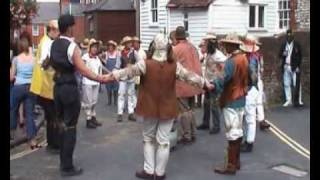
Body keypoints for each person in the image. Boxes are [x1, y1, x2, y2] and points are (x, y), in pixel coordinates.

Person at [110, 33, 213, 180]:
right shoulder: (174, 66)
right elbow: (189, 76)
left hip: (149, 106)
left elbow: (128, 72)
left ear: (153, 47)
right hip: (168, 106)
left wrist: (110, 76)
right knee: (163, 141)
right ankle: (159, 173)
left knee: (148, 139)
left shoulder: (145, 64)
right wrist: (205, 83)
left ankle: (149, 170)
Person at [49, 14, 111, 177]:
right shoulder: (72, 46)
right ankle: (67, 167)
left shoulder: (53, 44)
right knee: (70, 127)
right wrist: (100, 78)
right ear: (69, 27)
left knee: (61, 123)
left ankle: (63, 161)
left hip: (58, 88)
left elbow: (47, 63)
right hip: (69, 88)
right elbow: (82, 69)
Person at [211, 33, 249, 175]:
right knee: (238, 131)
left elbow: (222, 79)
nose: (225, 46)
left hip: (231, 99)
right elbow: (251, 78)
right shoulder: (244, 58)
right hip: (241, 99)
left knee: (232, 133)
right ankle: (236, 162)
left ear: (232, 45)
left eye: (227, 44)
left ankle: (231, 165)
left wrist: (212, 85)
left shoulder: (231, 61)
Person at [29, 20, 61, 153]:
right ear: (51, 30)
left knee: (50, 116)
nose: (58, 34)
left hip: (44, 86)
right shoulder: (48, 43)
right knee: (53, 116)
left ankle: (51, 143)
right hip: (47, 86)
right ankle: (53, 144)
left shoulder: (44, 41)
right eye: (57, 31)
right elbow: (45, 63)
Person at [239, 34, 271, 153]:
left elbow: (252, 77)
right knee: (249, 117)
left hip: (250, 90)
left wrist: (246, 87)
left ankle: (249, 143)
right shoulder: (255, 56)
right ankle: (248, 141)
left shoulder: (251, 58)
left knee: (250, 118)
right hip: (254, 89)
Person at [173, 26, 203, 144]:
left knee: (184, 111)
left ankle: (187, 135)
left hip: (182, 84)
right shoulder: (193, 47)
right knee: (191, 109)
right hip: (195, 82)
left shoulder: (175, 49)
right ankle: (193, 133)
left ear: (176, 37)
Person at [10, 32, 39, 149]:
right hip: (30, 87)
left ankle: (12, 132)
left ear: (19, 47)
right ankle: (32, 140)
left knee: (12, 109)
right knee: (29, 114)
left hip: (18, 87)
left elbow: (11, 77)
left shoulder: (16, 59)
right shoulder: (34, 59)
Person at [197, 33, 227, 134]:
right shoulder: (210, 53)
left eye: (206, 42)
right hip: (207, 81)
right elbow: (201, 48)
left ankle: (216, 126)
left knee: (214, 105)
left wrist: (217, 80)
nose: (204, 44)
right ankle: (205, 123)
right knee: (206, 103)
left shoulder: (218, 55)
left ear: (210, 44)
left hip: (214, 82)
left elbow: (224, 69)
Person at [81, 39, 103, 129]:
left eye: (96, 47)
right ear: (89, 48)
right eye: (93, 47)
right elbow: (83, 70)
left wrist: (101, 79)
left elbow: (100, 70)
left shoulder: (97, 58)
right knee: (88, 102)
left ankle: (93, 117)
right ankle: (88, 119)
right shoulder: (85, 57)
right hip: (87, 82)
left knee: (94, 101)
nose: (94, 49)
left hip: (96, 82)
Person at [279, 29, 303, 107]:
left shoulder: (297, 44)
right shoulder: (283, 45)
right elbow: (279, 55)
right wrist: (283, 54)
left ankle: (298, 100)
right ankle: (288, 100)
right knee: (286, 84)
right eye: (288, 36)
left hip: (294, 67)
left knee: (296, 84)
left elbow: (300, 57)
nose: (289, 38)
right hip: (286, 66)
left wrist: (298, 67)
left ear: (293, 36)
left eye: (290, 36)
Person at [117, 36, 138, 122]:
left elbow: (139, 62)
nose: (130, 44)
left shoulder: (134, 52)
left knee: (131, 94)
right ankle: (120, 113)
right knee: (121, 94)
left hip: (131, 76)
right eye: (128, 42)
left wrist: (134, 69)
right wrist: (117, 74)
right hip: (123, 76)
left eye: (130, 42)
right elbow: (117, 65)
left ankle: (131, 113)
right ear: (125, 44)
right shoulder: (120, 53)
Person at [104, 40, 121, 105]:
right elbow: (105, 62)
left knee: (116, 87)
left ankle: (115, 101)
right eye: (109, 46)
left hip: (115, 72)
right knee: (108, 87)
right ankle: (109, 100)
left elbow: (118, 63)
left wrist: (115, 70)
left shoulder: (117, 53)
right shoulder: (106, 53)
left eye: (111, 46)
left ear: (113, 47)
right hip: (108, 72)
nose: (110, 47)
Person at [196, 40, 207, 108]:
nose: (203, 48)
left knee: (206, 87)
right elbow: (197, 61)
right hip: (200, 70)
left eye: (204, 46)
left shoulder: (207, 53)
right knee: (199, 87)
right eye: (202, 46)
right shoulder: (198, 53)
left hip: (206, 71)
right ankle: (199, 102)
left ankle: (206, 102)